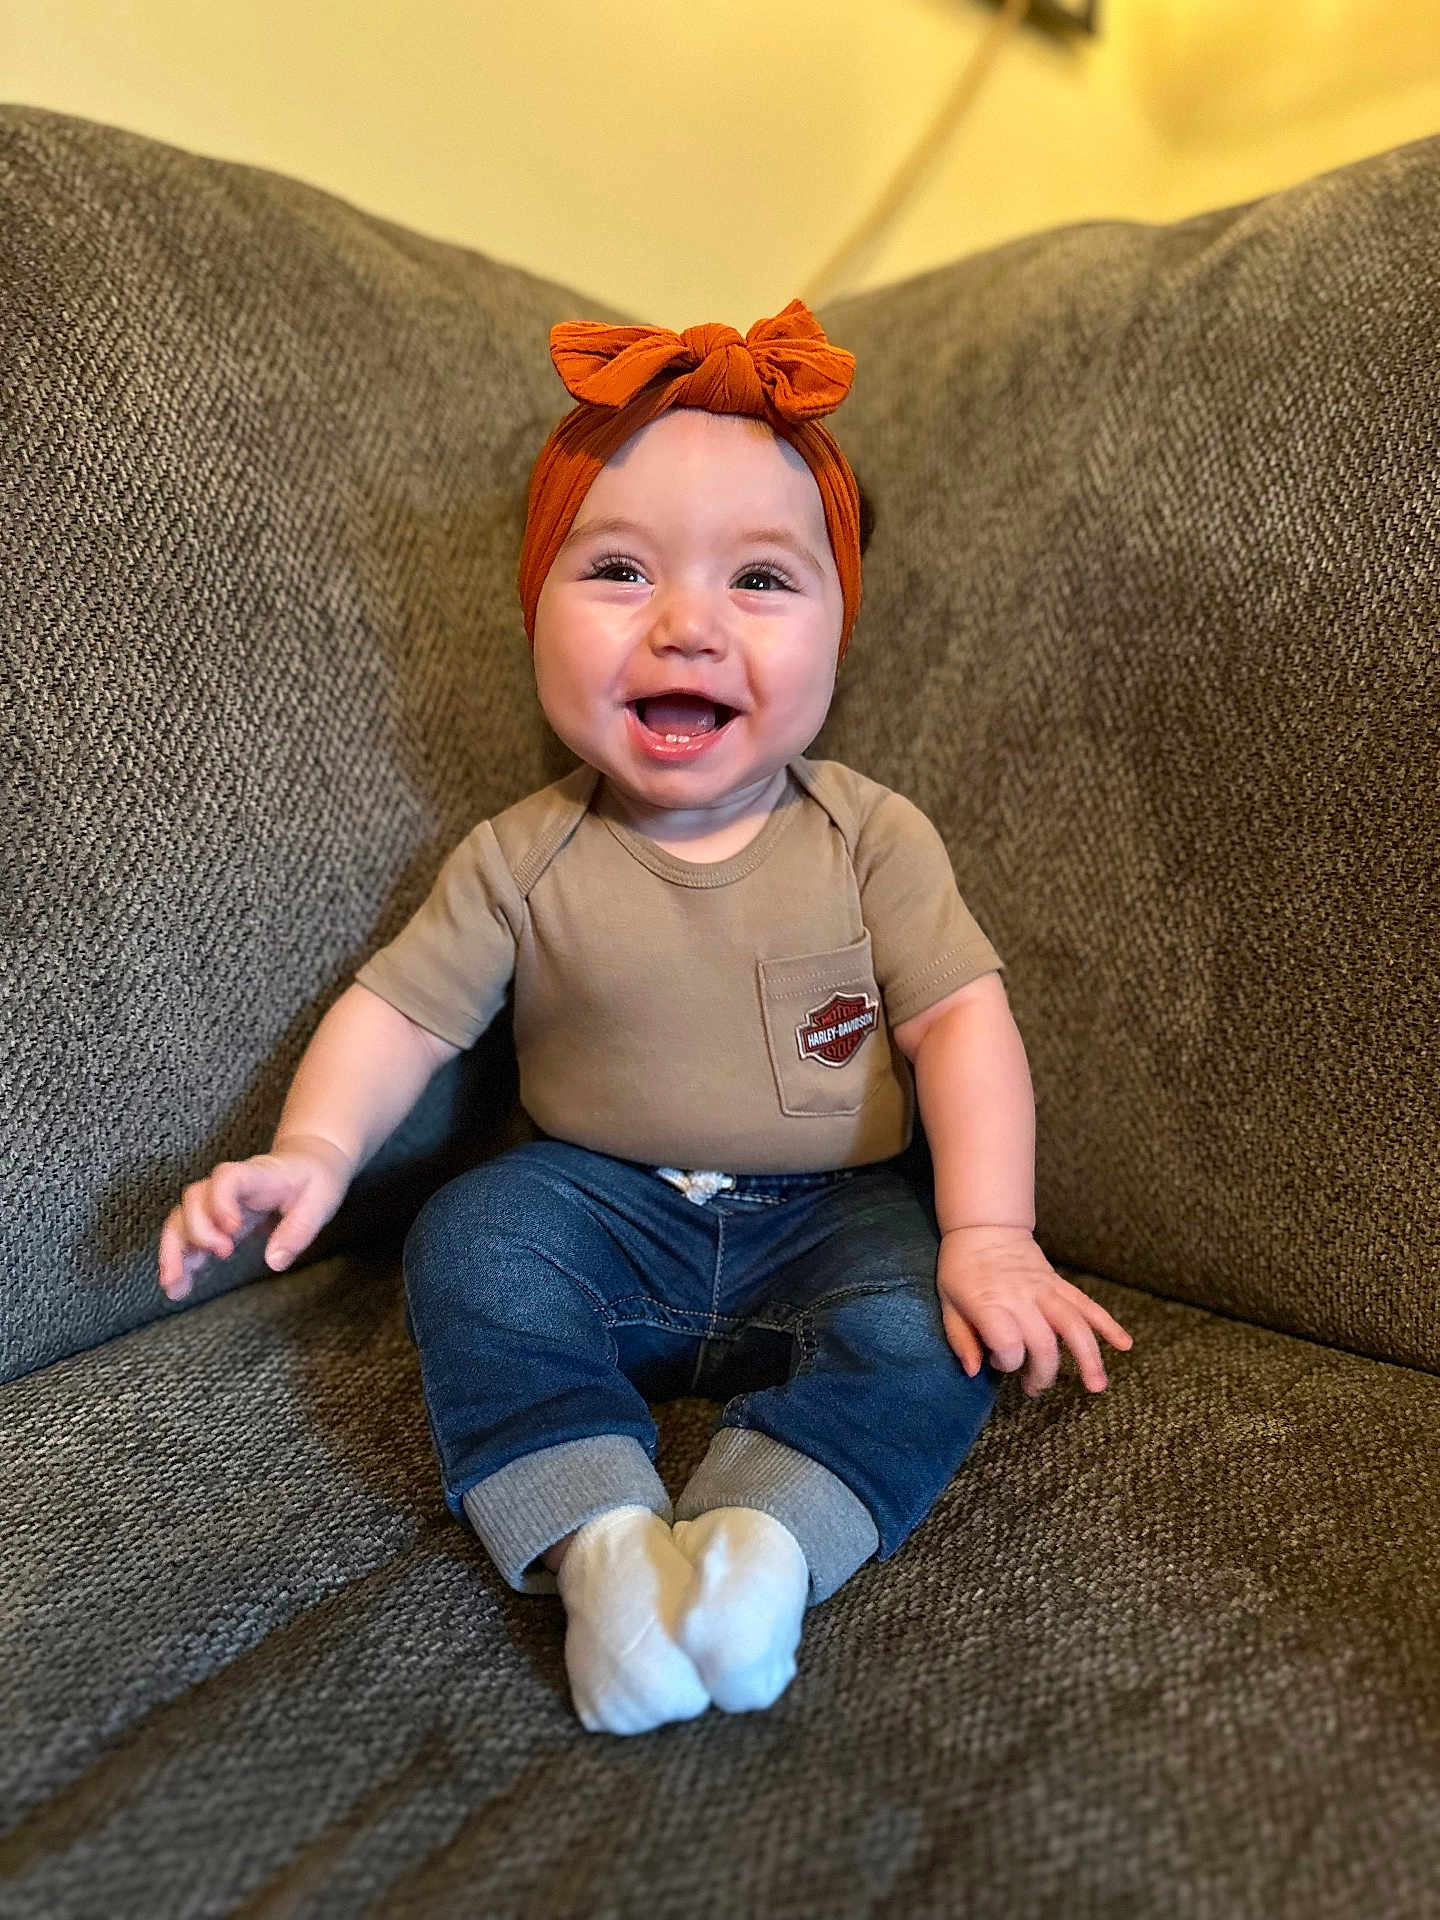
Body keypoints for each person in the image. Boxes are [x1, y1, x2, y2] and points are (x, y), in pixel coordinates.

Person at [158, 298, 1134, 1737]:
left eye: (760, 581)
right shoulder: (518, 854)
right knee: (471, 1242)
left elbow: (962, 1027)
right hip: (595, 1199)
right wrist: (313, 1150)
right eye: (618, 570)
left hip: (833, 1212)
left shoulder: (872, 837)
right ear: (537, 615)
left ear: (837, 638)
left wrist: (990, 1232)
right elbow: (402, 1014)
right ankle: (599, 1540)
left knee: (937, 1333)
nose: (686, 624)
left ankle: (764, 1550)